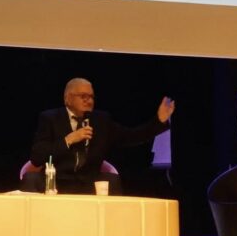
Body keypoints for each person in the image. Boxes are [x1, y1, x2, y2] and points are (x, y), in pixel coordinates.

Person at [23, 77, 174, 195]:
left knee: (111, 180)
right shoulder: (50, 119)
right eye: (83, 96)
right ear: (67, 98)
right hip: (58, 180)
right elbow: (37, 157)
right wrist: (69, 140)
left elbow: (131, 136)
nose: (88, 100)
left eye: (91, 97)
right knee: (32, 179)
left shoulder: (101, 120)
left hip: (89, 182)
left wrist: (158, 122)